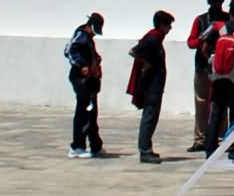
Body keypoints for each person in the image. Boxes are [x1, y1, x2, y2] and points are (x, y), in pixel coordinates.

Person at [125, 11, 175, 162]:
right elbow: (133, 51)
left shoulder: (156, 38)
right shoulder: (153, 39)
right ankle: (145, 150)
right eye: (168, 25)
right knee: (149, 116)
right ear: (161, 25)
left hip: (155, 85)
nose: (170, 28)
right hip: (151, 86)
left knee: (152, 116)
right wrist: (146, 63)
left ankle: (147, 148)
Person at [66, 13, 114, 158]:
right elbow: (69, 51)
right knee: (83, 112)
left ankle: (95, 146)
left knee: (92, 112)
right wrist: (82, 65)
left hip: (90, 80)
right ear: (90, 25)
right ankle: (77, 146)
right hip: (81, 80)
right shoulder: (81, 35)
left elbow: (90, 54)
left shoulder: (88, 39)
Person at [203, 6, 234, 154]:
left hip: (217, 77)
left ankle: (210, 148)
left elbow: (203, 45)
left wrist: (212, 63)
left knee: (215, 111)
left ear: (230, 11)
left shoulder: (217, 27)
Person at [186, 0, 224, 151]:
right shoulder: (200, 20)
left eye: (219, 1)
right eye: (213, 1)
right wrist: (203, 40)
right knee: (202, 102)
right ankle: (201, 138)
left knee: (221, 102)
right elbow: (191, 42)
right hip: (203, 66)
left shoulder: (227, 19)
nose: (216, 4)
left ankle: (222, 136)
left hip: (223, 67)